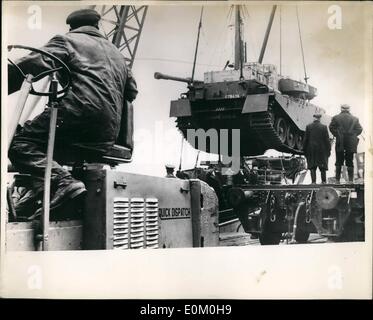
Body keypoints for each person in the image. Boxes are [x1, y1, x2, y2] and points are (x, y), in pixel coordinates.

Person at [8, 9, 138, 216]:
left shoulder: (67, 40)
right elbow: (132, 91)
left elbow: (31, 65)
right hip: (106, 134)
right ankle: (44, 192)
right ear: (97, 26)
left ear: (72, 27)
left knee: (19, 144)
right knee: (49, 152)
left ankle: (63, 182)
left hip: (76, 118)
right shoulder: (117, 54)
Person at [329, 104, 363, 183]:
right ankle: (350, 180)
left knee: (338, 161)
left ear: (341, 109)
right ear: (349, 109)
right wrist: (353, 135)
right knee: (350, 160)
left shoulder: (336, 117)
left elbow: (331, 127)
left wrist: (337, 134)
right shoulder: (355, 119)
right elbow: (360, 129)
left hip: (340, 141)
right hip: (350, 142)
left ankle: (337, 180)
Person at [302, 113, 331, 184]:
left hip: (311, 150)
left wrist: (304, 150)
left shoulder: (308, 127)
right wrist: (329, 150)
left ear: (314, 118)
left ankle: (313, 182)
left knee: (312, 166)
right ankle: (324, 182)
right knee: (322, 167)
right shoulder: (324, 127)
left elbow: (305, 139)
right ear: (320, 118)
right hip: (322, 150)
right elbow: (327, 140)